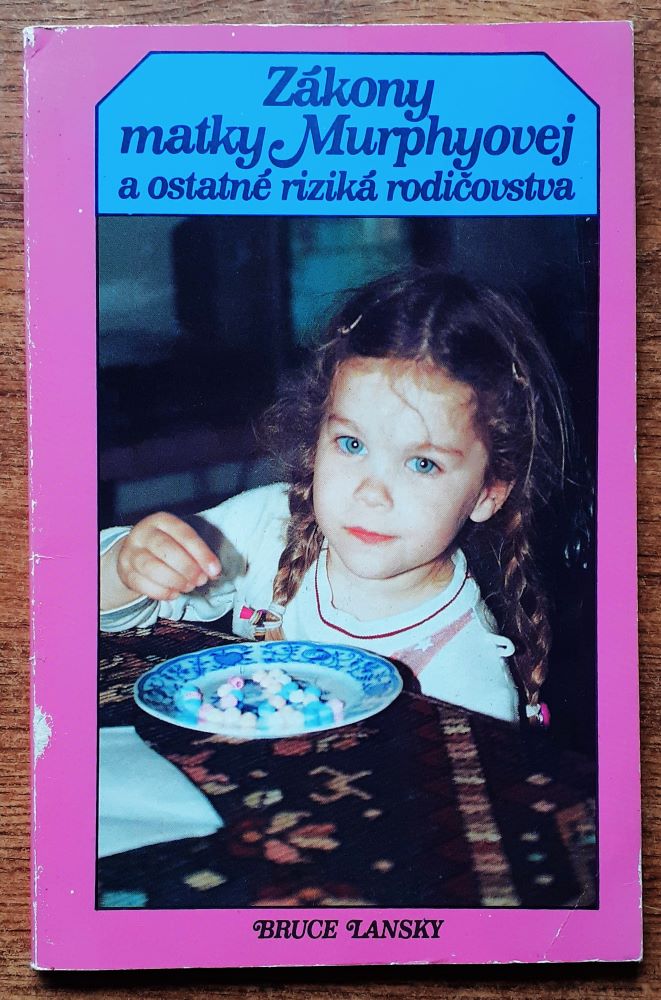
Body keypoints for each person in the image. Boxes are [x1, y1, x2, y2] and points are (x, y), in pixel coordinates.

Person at [100, 269, 571, 726]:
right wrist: (126, 566)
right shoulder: (265, 529)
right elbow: (105, 609)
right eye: (352, 444)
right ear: (319, 435)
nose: (371, 493)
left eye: (422, 464)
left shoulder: (469, 681)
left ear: (489, 493)